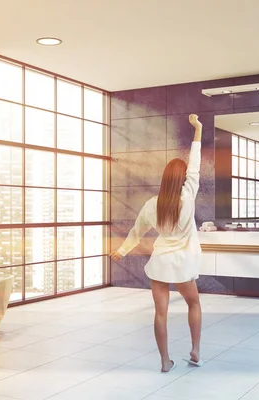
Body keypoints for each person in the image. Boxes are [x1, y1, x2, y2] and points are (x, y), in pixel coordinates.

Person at [111, 114, 203, 373]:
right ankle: (195, 350)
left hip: (161, 262)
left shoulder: (153, 204)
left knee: (160, 313)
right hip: (183, 263)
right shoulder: (188, 195)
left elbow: (136, 230)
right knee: (193, 303)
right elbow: (194, 161)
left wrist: (121, 250)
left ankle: (165, 361)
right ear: (183, 179)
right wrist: (198, 129)